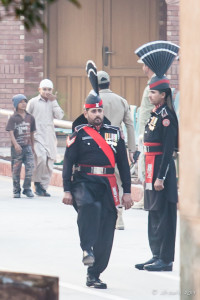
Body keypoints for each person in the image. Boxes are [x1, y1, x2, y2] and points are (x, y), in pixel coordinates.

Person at [62, 91, 133, 289]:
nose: (97, 114)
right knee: (89, 207)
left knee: (107, 229)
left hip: (108, 184)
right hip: (84, 181)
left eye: (100, 110)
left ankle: (94, 274)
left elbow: (123, 165)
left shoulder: (114, 132)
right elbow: (68, 162)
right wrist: (67, 189)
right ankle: (86, 249)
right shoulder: (79, 133)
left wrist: (127, 191)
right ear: (85, 113)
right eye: (93, 111)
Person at [135, 75, 178, 271]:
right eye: (150, 91)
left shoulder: (167, 116)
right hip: (151, 165)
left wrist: (161, 176)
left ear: (163, 94)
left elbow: (169, 150)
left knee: (165, 214)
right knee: (153, 212)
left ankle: (165, 259)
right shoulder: (155, 113)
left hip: (162, 169)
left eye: (153, 92)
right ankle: (155, 254)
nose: (150, 95)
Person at [97, 70, 136, 230]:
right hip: (116, 141)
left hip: (98, 142)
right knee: (118, 179)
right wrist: (132, 149)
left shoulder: (93, 100)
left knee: (98, 177)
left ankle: (101, 214)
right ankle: (119, 216)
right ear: (109, 83)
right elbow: (129, 125)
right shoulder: (121, 100)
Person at [27, 79, 64, 197]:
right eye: (44, 89)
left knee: (49, 162)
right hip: (37, 135)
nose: (47, 92)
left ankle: (43, 187)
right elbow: (26, 117)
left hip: (49, 136)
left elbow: (60, 116)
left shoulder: (52, 102)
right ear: (39, 90)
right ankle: (36, 183)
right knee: (41, 158)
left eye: (49, 89)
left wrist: (54, 102)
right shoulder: (33, 102)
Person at [6, 94, 36, 198]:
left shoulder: (30, 117)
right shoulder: (13, 118)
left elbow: (32, 132)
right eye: (21, 102)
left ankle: (27, 188)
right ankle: (16, 190)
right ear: (16, 104)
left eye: (25, 101)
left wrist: (32, 146)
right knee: (16, 169)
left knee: (30, 167)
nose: (23, 104)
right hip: (17, 147)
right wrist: (15, 144)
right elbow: (10, 132)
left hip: (27, 146)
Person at [134, 61, 154, 209]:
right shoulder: (153, 84)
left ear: (147, 66)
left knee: (146, 164)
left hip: (148, 132)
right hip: (145, 131)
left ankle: (146, 199)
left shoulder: (152, 87)